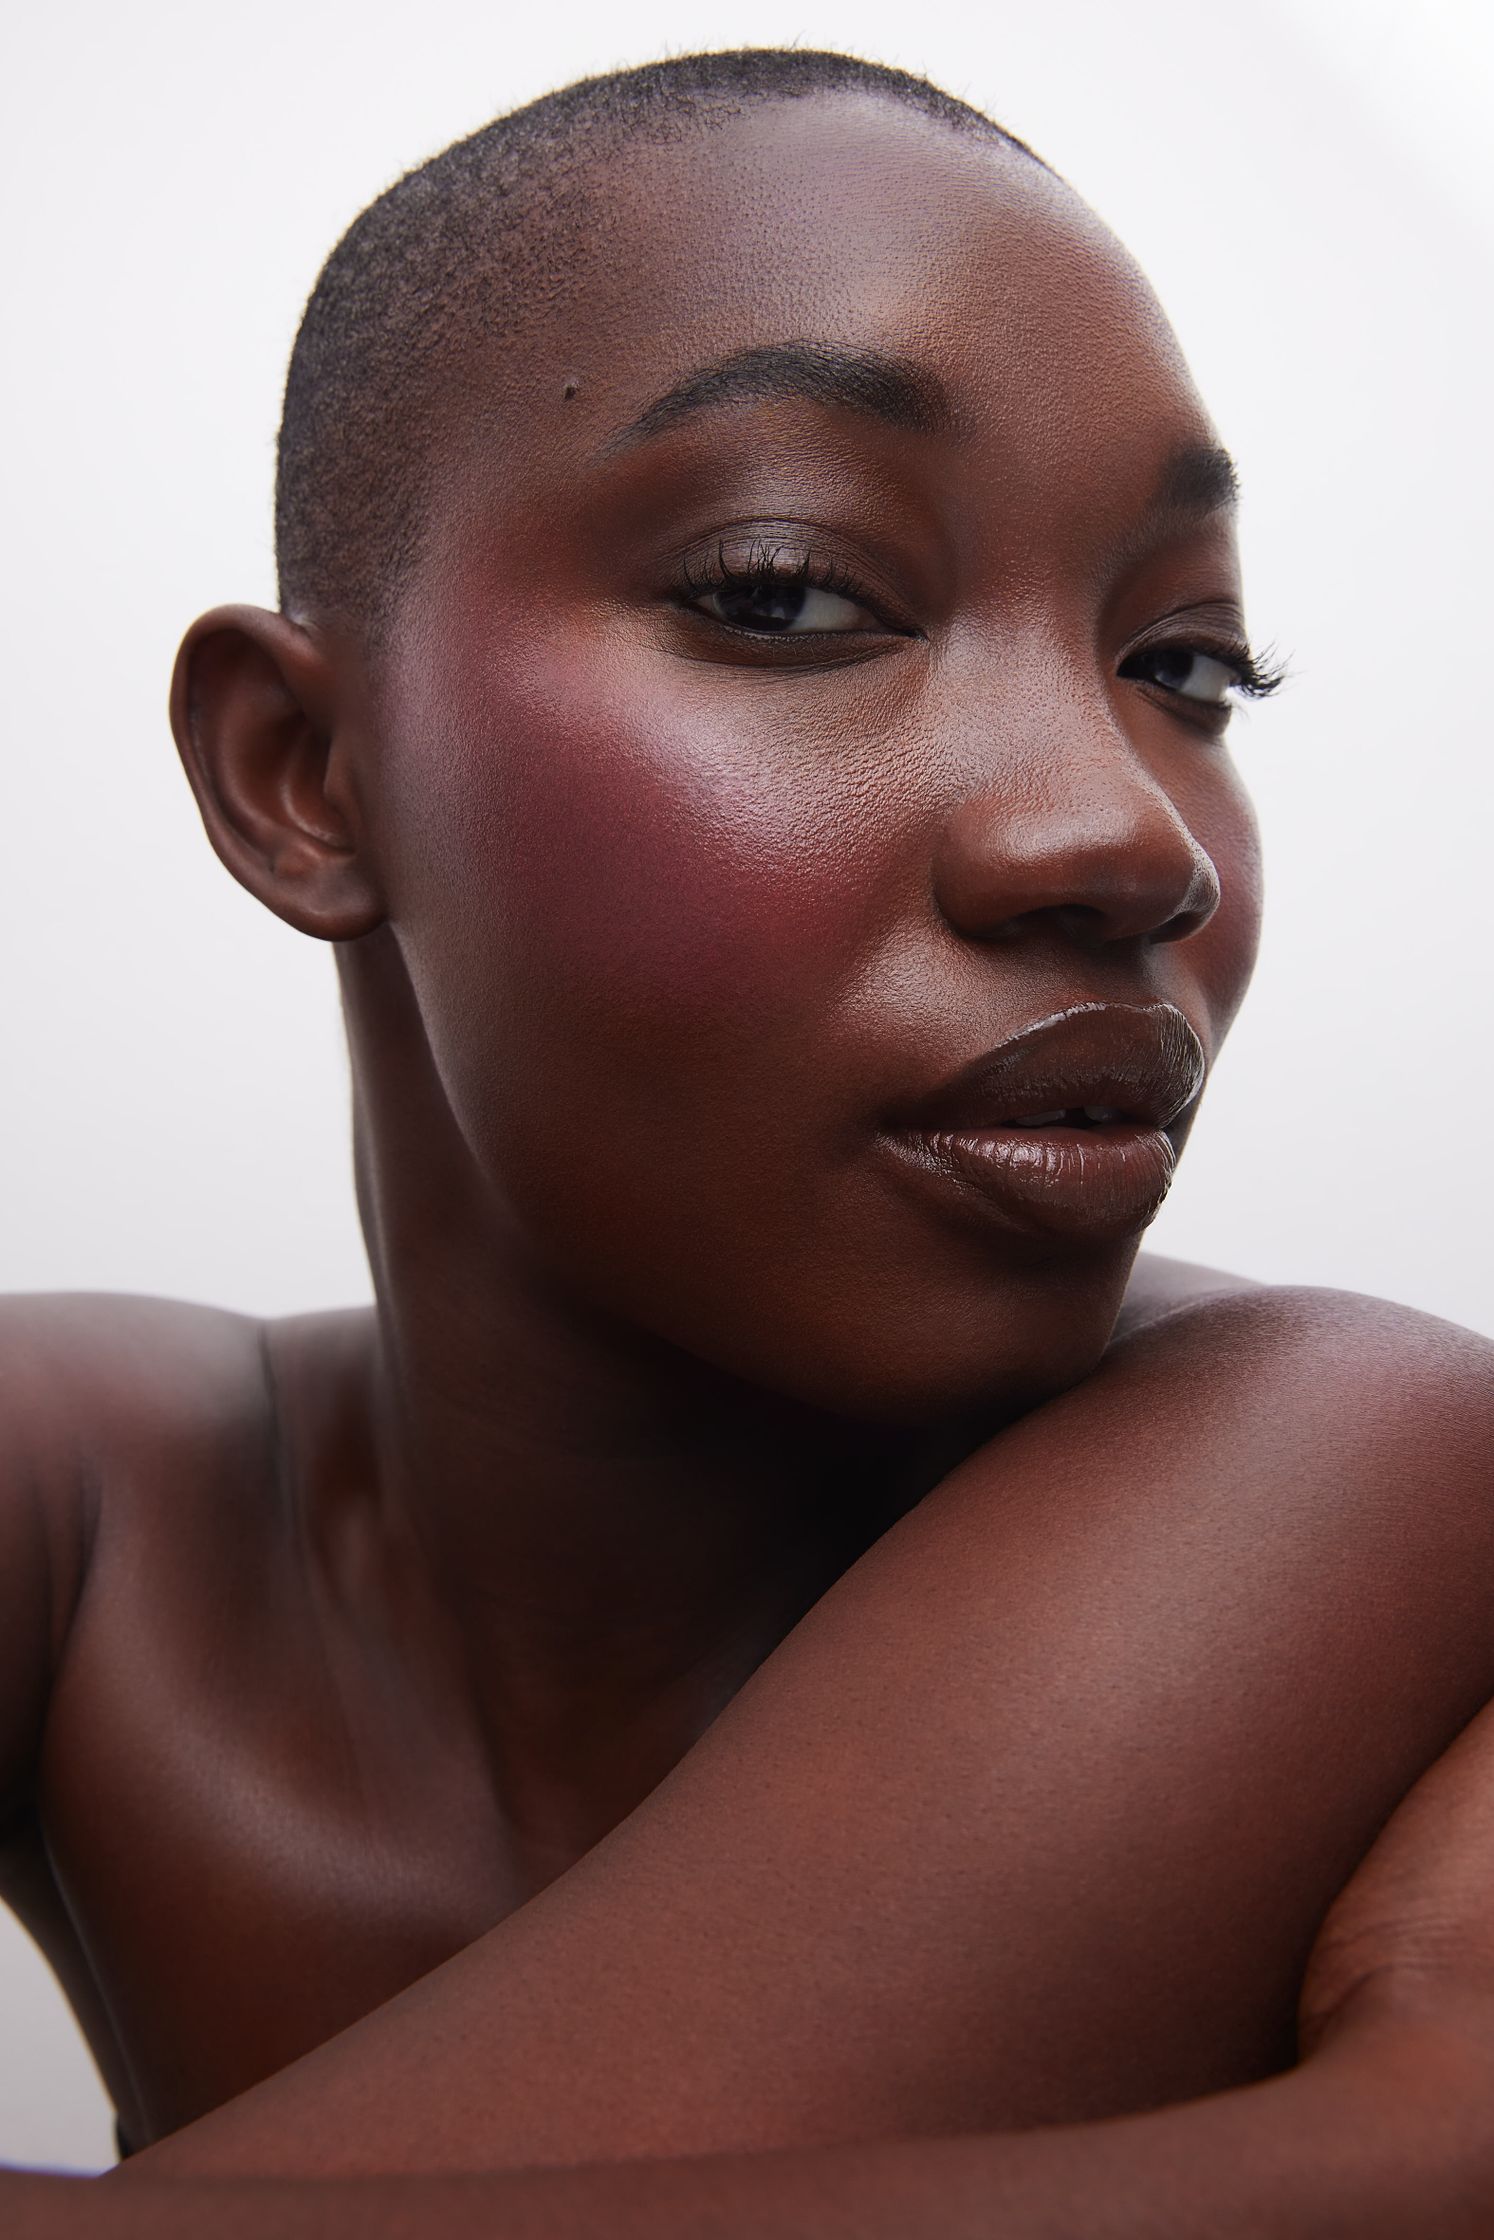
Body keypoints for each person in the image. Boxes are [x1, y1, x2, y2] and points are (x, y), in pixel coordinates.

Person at [4, 46, 1494, 2236]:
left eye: (1186, 663)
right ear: (304, 774)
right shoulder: (84, 1503)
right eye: (792, 591)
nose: (1127, 835)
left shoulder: (1356, 1462)